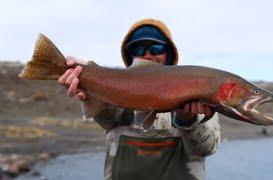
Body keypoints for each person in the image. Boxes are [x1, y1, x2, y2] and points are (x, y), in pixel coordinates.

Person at [58, 19, 220, 180]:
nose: (148, 55)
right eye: (139, 49)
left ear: (169, 53)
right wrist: (88, 85)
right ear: (131, 56)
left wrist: (187, 121)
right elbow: (107, 121)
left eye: (156, 48)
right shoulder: (115, 89)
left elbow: (206, 149)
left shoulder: (197, 90)